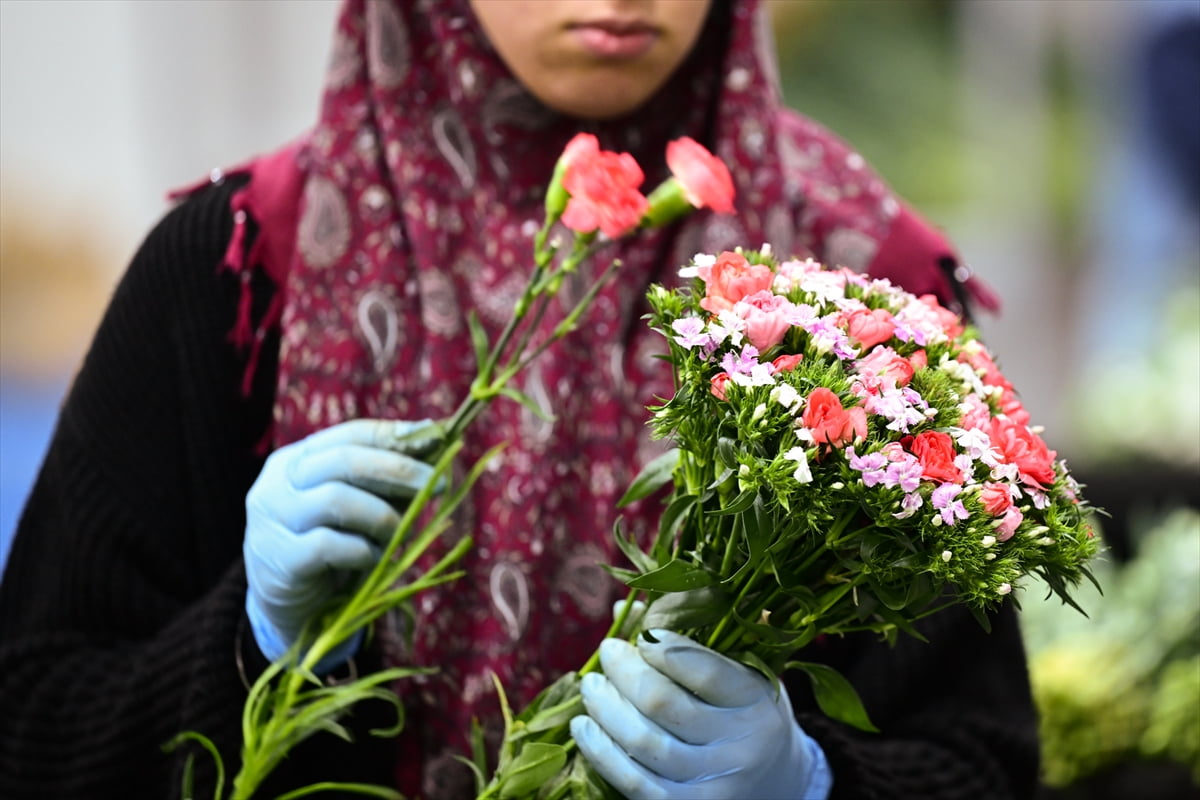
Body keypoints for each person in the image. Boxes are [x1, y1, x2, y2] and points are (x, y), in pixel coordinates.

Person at [0, 2, 1035, 799]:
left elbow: (986, 758)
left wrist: (815, 781)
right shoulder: (236, 271)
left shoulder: (870, 306)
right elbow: (35, 728)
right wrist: (252, 645)